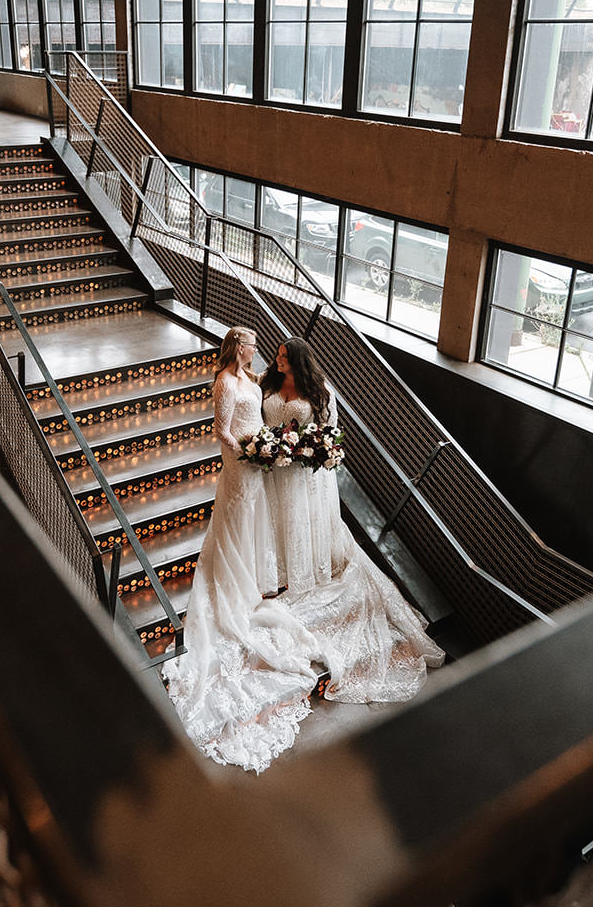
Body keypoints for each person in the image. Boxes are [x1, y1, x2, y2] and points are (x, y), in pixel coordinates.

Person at [164, 327, 322, 772]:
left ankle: (251, 572)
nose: (257, 351)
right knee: (235, 520)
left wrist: (265, 448)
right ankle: (232, 578)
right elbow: (221, 430)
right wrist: (247, 452)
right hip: (240, 465)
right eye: (252, 346)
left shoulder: (251, 378)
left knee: (254, 521)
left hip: (257, 461)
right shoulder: (225, 382)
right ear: (238, 347)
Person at [260, 337, 445, 704]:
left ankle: (303, 568)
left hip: (305, 476)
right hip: (275, 471)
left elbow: (329, 435)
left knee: (301, 520)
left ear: (299, 361)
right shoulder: (268, 384)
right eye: (277, 355)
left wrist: (306, 449)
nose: (278, 360)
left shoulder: (320, 392)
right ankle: (275, 566)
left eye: (284, 357)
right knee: (277, 519)